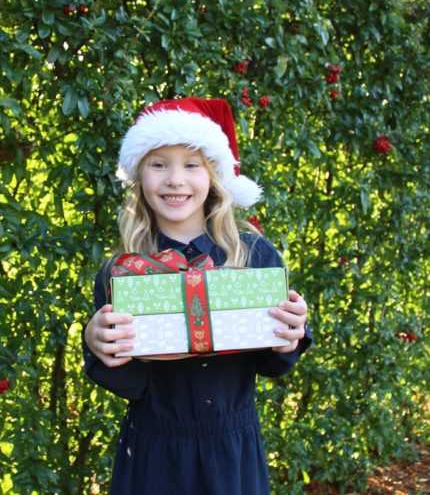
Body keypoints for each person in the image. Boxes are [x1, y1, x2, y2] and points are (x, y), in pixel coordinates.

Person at [82, 98, 312, 494]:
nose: (175, 180)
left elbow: (273, 365)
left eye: (191, 165)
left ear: (215, 175)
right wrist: (97, 342)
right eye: (159, 164)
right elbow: (132, 384)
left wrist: (291, 333)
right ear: (140, 175)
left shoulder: (255, 255)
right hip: (154, 455)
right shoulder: (123, 271)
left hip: (233, 451)